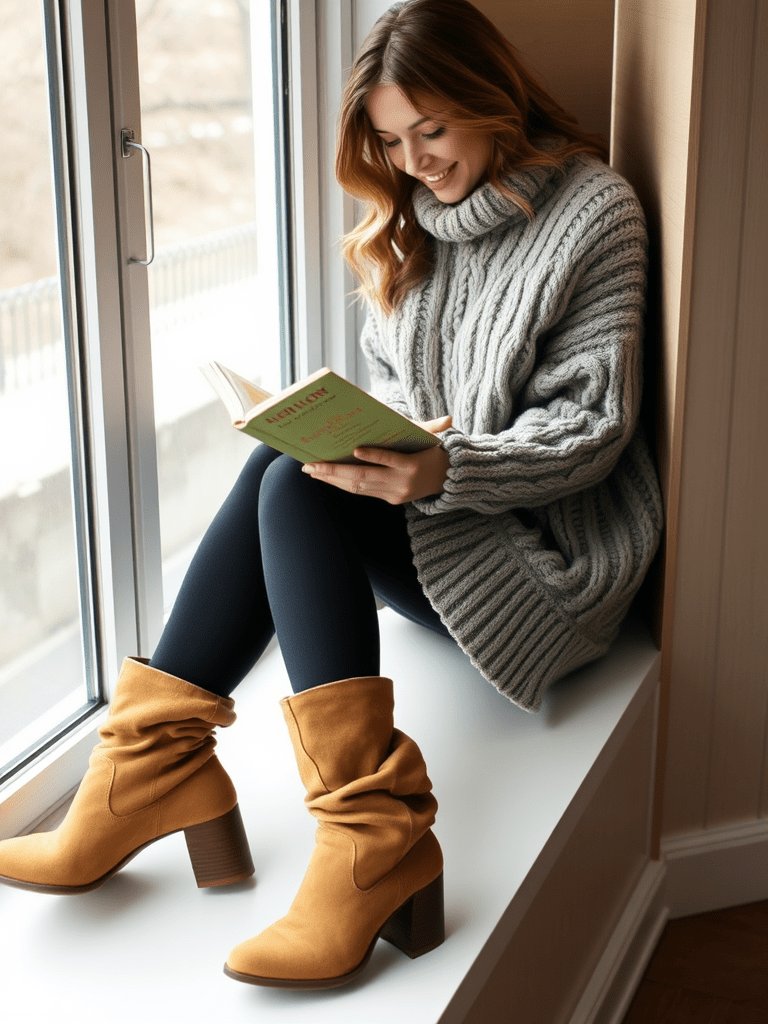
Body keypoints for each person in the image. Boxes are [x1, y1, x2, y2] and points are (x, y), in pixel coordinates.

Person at [0, 0, 662, 992]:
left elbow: (592, 432)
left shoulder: (594, 212)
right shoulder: (417, 227)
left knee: (295, 496)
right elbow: (411, 391)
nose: (416, 162)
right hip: (443, 530)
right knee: (283, 466)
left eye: (432, 129)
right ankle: (152, 766)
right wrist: (374, 433)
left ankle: (359, 834)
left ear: (494, 98)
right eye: (393, 142)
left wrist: (447, 467)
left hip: (540, 567)